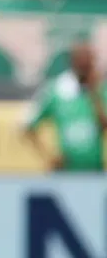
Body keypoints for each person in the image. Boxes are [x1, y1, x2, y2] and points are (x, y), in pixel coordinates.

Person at [23, 41, 107, 172]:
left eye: (89, 63)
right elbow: (27, 126)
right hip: (66, 171)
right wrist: (49, 156)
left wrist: (94, 94)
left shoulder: (100, 90)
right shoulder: (56, 90)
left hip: (95, 170)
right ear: (73, 62)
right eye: (82, 62)